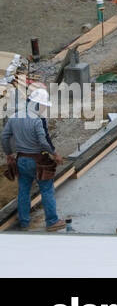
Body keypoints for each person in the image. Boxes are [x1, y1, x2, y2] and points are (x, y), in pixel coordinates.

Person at [2, 86, 65, 232]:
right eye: (43, 105)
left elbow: (4, 137)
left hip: (21, 160)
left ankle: (24, 222)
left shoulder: (14, 117)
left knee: (23, 190)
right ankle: (52, 221)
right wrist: (55, 154)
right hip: (38, 161)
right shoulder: (37, 120)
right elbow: (43, 142)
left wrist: (9, 154)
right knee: (47, 190)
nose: (44, 109)